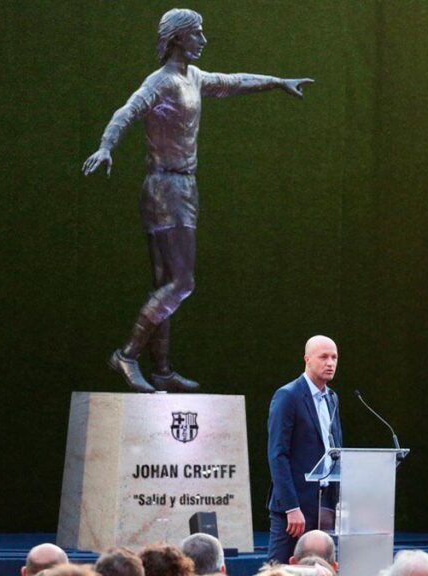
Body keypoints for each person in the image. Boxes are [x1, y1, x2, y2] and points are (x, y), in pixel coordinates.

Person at [82, 8, 312, 393]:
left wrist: (276, 82)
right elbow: (127, 111)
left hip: (180, 187)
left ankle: (162, 369)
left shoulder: (194, 77)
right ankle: (127, 355)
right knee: (182, 283)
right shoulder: (162, 81)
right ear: (177, 39)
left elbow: (235, 81)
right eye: (197, 34)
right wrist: (106, 146)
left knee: (165, 283)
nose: (203, 41)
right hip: (166, 188)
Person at [267, 336, 343, 563]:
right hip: (295, 509)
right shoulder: (288, 396)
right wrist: (291, 507)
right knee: (279, 568)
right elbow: (277, 455)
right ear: (307, 360)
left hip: (325, 505)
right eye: (324, 357)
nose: (330, 363)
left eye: (334, 357)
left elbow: (335, 451)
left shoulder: (332, 398)